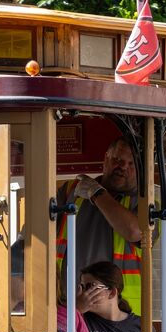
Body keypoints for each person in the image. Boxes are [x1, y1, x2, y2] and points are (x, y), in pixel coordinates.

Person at [61, 135, 151, 315]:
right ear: (106, 158)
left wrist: (96, 193)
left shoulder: (145, 202)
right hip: (70, 306)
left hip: (118, 314)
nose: (123, 167)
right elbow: (34, 230)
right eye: (118, 160)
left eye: (131, 163)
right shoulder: (71, 191)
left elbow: (135, 231)